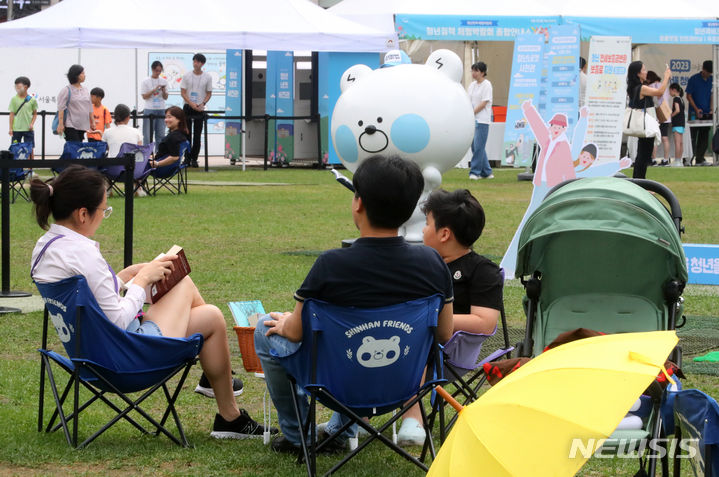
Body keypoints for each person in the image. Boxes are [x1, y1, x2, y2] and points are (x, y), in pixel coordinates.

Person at [29, 165, 272, 440]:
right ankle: (219, 382)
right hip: (124, 360)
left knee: (212, 317)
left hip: (88, 357)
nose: (103, 217)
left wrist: (122, 279)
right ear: (83, 214)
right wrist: (143, 279)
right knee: (182, 280)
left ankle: (229, 415)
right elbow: (118, 320)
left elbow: (88, 298)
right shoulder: (84, 253)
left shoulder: (44, 248)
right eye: (103, 211)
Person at [254, 155, 454, 454]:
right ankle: (343, 426)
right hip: (402, 384)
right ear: (411, 208)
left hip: (337, 385)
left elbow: (294, 334)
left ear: (358, 203)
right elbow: (444, 333)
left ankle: (300, 437)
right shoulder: (432, 263)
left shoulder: (330, 265)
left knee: (262, 329)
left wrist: (286, 322)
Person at [626, 61, 671, 179]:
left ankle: (639, 182)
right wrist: (666, 77)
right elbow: (660, 92)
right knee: (643, 156)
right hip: (646, 125)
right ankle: (641, 184)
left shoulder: (633, 88)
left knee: (642, 155)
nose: (646, 72)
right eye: (644, 70)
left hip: (643, 124)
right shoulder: (641, 88)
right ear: (638, 73)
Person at [180, 53, 213, 168]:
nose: (196, 63)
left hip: (200, 107)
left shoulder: (207, 77)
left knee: (198, 135)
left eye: (198, 61)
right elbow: (183, 92)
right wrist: (191, 103)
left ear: (202, 64)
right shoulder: (187, 75)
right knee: (187, 133)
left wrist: (202, 103)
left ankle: (194, 158)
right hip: (188, 107)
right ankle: (187, 158)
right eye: (194, 61)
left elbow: (209, 93)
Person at [467, 62, 494, 180]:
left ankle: (475, 172)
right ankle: (487, 172)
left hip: (482, 120)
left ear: (482, 72)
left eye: (476, 71)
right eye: (472, 70)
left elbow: (484, 103)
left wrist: (472, 112)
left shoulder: (487, 85)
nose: (473, 73)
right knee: (475, 147)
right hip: (472, 120)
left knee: (479, 146)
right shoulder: (472, 85)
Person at [56, 64, 94, 142]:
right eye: (82, 73)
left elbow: (90, 107)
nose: (85, 75)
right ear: (76, 75)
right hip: (71, 125)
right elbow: (61, 108)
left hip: (82, 125)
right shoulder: (66, 90)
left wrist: (92, 121)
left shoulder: (85, 90)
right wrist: (60, 124)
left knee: (76, 149)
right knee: (74, 147)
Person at [685, 60, 713, 165]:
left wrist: (711, 109)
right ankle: (688, 159)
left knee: (704, 136)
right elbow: (688, 95)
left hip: (706, 113)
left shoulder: (711, 80)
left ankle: (700, 159)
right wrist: (696, 109)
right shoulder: (694, 79)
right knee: (692, 136)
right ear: (703, 69)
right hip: (694, 113)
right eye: (707, 72)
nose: (708, 74)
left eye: (710, 73)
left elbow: (712, 95)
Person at [8, 76, 38, 159]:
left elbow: (35, 114)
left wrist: (32, 124)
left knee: (30, 148)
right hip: (16, 128)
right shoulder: (14, 99)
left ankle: (30, 169)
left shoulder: (32, 100)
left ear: (26, 87)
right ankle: (15, 169)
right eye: (16, 87)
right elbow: (11, 114)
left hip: (29, 129)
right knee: (14, 148)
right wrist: (10, 128)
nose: (17, 89)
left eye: (19, 87)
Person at [141, 60, 169, 148]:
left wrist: (163, 90)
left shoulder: (164, 81)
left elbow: (165, 97)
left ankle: (159, 155)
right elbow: (144, 96)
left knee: (160, 133)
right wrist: (154, 90)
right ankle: (147, 155)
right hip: (149, 109)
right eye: (156, 70)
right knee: (147, 133)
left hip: (161, 109)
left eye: (160, 71)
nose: (158, 73)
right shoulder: (145, 81)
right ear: (152, 69)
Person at [646, 70, 671, 166]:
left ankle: (653, 159)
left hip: (656, 115)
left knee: (654, 138)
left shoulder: (651, 87)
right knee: (665, 138)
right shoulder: (664, 86)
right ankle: (666, 159)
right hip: (666, 115)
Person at [669, 83, 686, 163]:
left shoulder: (676, 99)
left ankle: (677, 160)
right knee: (680, 142)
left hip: (677, 123)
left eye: (670, 91)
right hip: (682, 123)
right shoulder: (681, 99)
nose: (669, 93)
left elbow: (677, 110)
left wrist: (671, 115)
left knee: (677, 143)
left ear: (674, 90)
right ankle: (679, 160)